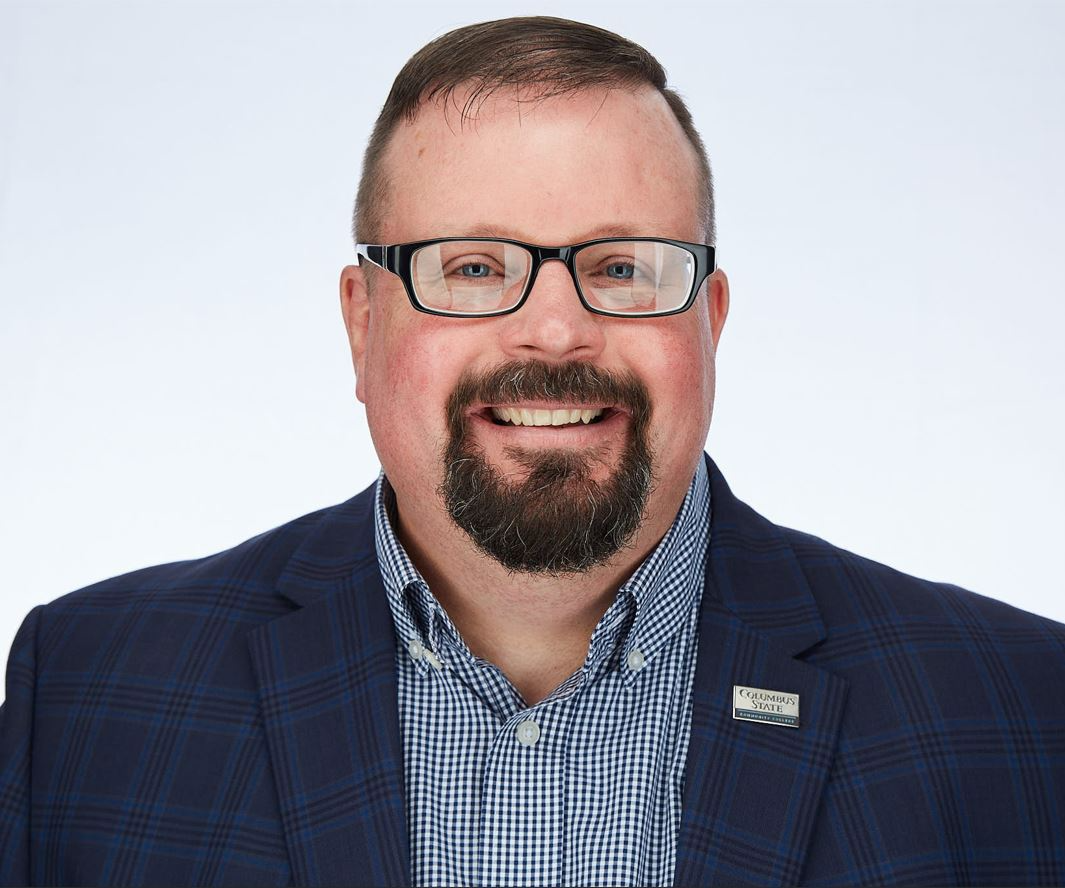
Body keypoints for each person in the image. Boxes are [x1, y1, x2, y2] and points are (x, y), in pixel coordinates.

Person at [1, 14, 1063, 888]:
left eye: (622, 267)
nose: (554, 332)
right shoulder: (87, 698)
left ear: (711, 322)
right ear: (362, 324)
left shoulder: (1019, 713)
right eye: (472, 269)